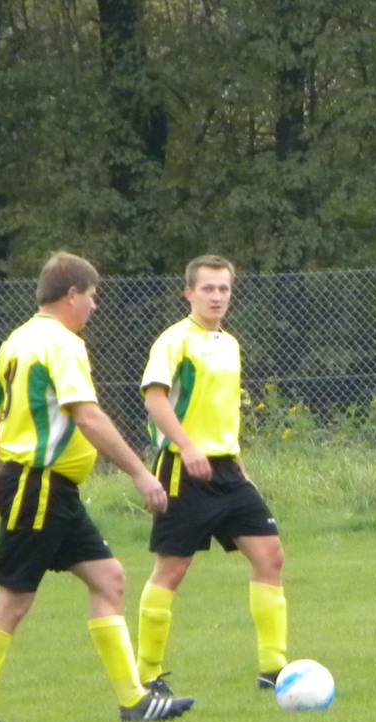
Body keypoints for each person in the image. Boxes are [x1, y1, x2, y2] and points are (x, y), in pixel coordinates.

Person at [0, 252, 193, 722]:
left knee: (109, 578)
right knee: (12, 600)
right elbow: (87, 416)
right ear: (72, 295)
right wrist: (140, 473)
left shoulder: (19, 340)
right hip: (38, 486)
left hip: (49, 490)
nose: (95, 306)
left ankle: (135, 701)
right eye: (92, 296)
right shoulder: (62, 344)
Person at [135, 255, 292, 697]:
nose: (217, 296)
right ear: (189, 293)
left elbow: (222, 413)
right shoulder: (174, 341)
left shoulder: (230, 344)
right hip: (182, 469)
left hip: (227, 470)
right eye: (208, 288)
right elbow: (154, 399)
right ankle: (147, 675)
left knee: (270, 556)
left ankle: (274, 668)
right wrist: (187, 447)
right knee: (172, 569)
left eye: (224, 288)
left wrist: (238, 464)